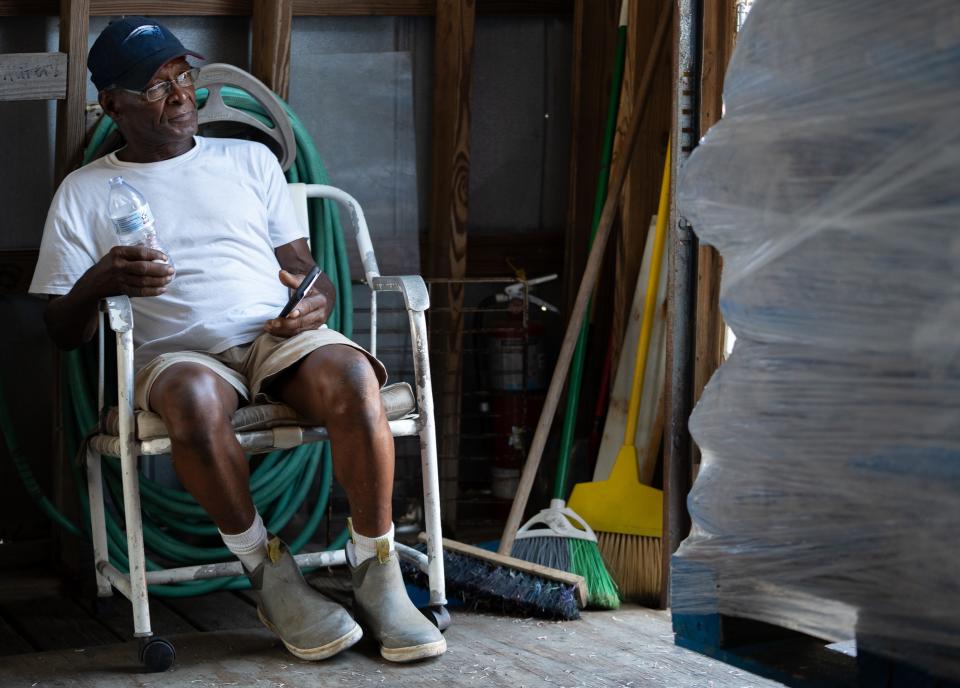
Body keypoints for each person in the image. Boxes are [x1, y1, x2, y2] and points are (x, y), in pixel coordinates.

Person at [29, 16, 445, 664]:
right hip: (177, 353)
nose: (180, 94)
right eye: (156, 86)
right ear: (112, 104)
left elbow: (309, 272)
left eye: (183, 77)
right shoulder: (84, 192)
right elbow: (61, 331)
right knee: (194, 402)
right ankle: (269, 573)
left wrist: (313, 299)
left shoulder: (248, 160)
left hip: (271, 334)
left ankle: (376, 568)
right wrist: (103, 278)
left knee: (357, 380)